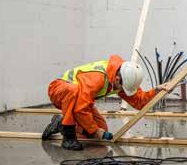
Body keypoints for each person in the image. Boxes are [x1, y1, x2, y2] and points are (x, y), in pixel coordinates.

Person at [41, 54, 169, 150]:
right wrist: (94, 131)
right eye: (123, 89)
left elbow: (139, 101)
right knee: (74, 91)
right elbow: (80, 108)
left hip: (80, 99)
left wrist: (156, 91)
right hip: (59, 90)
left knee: (101, 129)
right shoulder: (98, 77)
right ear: (118, 79)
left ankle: (60, 124)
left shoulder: (122, 77)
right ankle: (68, 135)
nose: (123, 91)